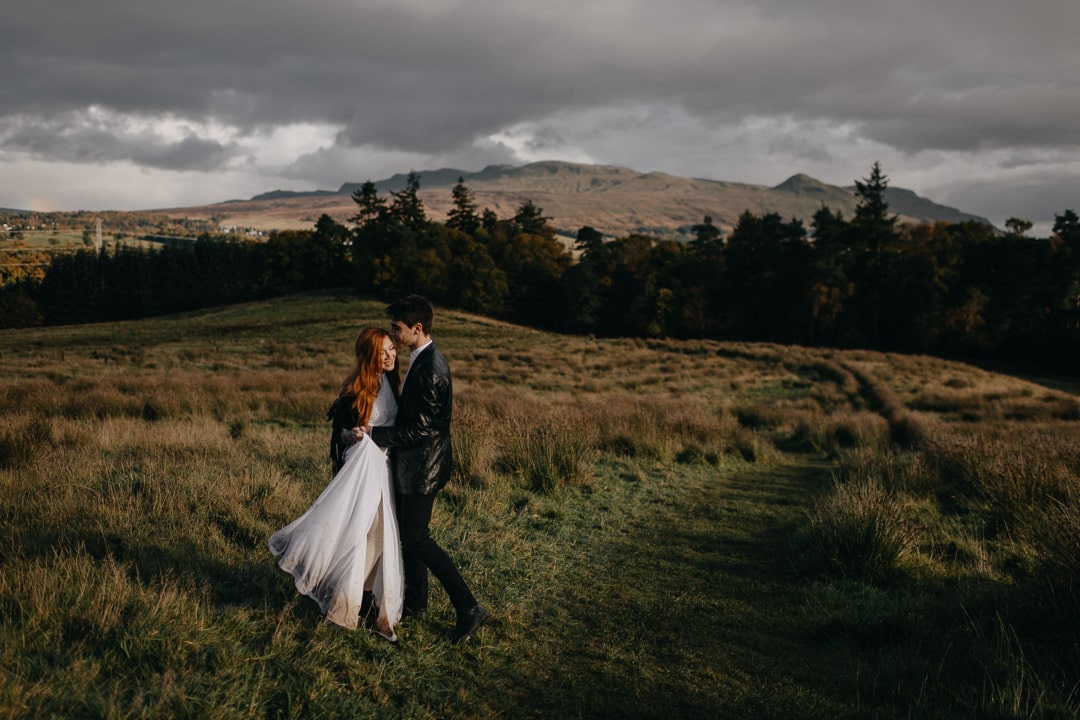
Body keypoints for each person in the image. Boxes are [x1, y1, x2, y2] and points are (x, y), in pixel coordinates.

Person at [362, 295, 488, 644]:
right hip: (417, 465)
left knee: (417, 537)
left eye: (397, 328)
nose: (393, 334)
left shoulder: (431, 367)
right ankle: (417, 604)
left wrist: (372, 432)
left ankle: (468, 607)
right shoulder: (422, 359)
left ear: (416, 329)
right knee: (409, 537)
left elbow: (418, 430)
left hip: (421, 468)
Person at [268, 327, 403, 642]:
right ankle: (346, 606)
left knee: (379, 537)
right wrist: (351, 435)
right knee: (358, 533)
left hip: (384, 469)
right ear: (369, 355)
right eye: (382, 351)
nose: (390, 356)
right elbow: (340, 435)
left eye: (392, 349)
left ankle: (365, 598)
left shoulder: (392, 383)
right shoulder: (356, 390)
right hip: (363, 468)